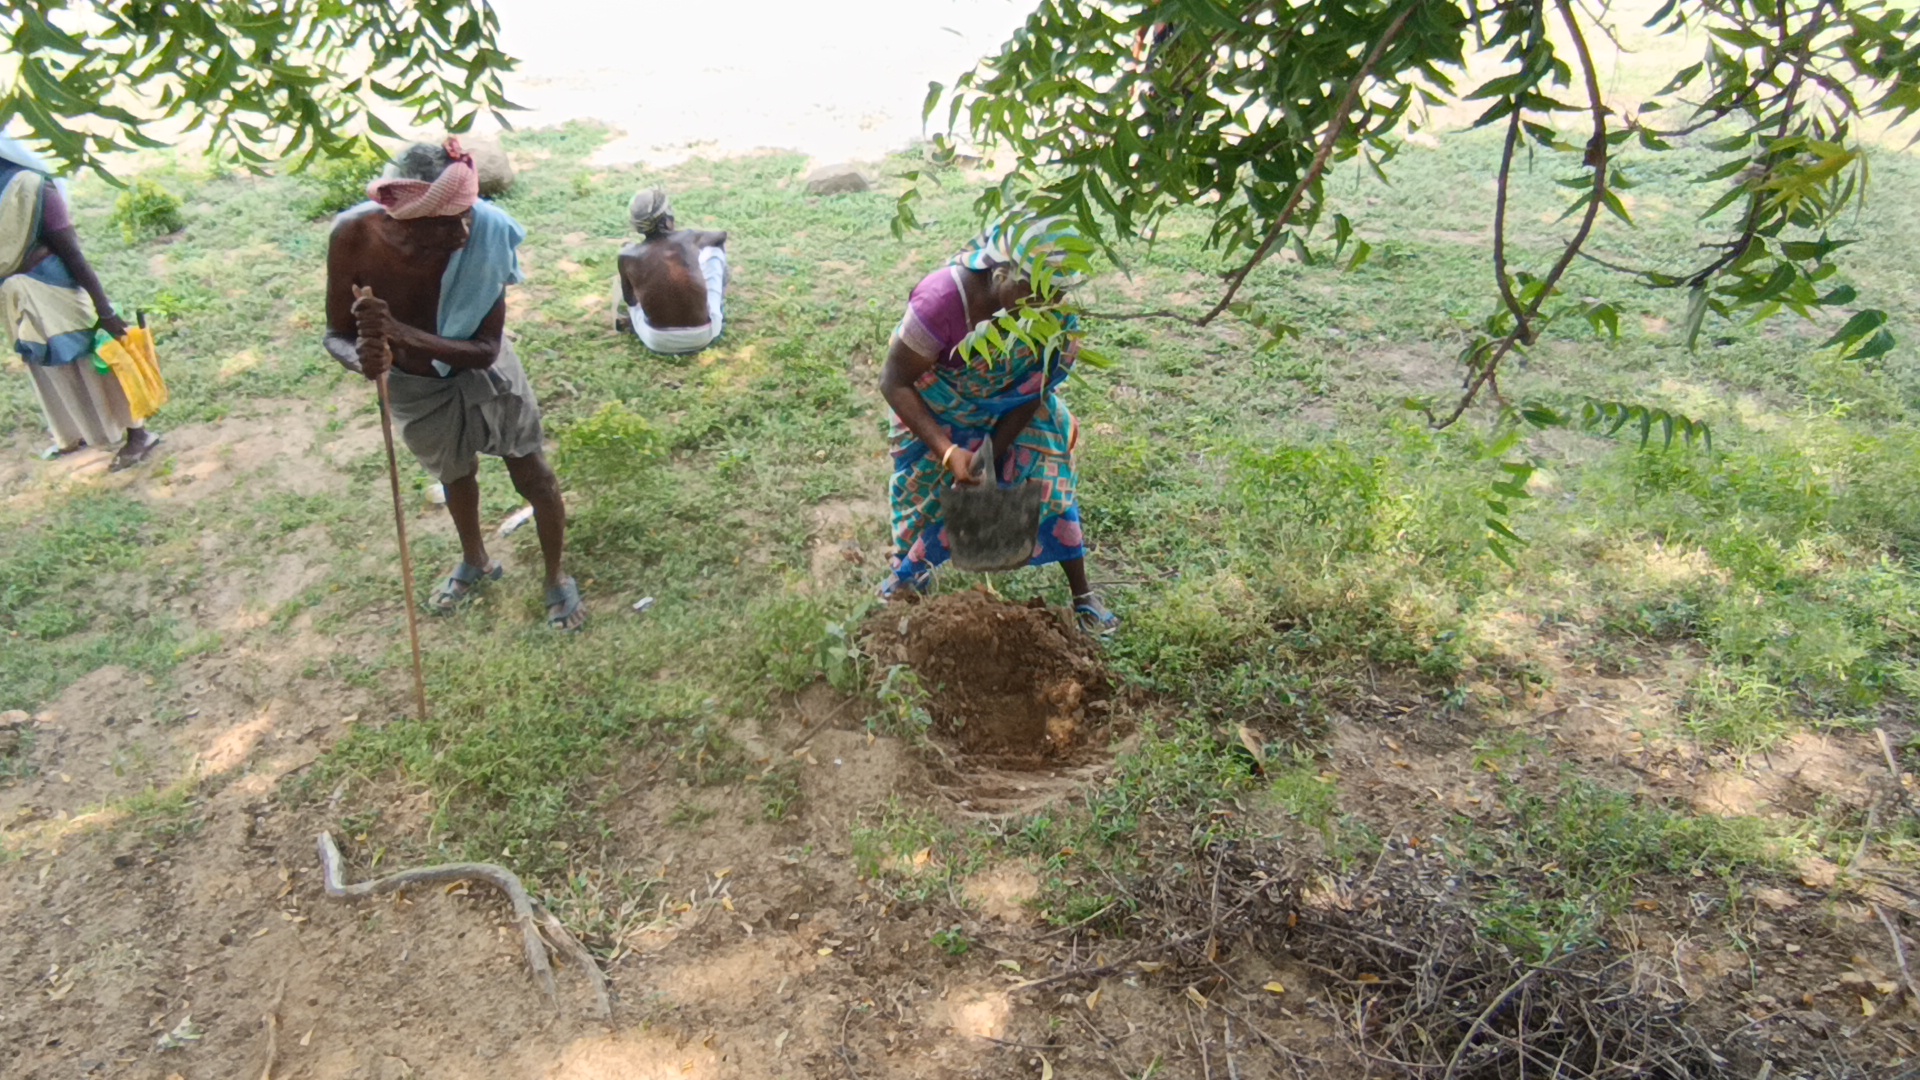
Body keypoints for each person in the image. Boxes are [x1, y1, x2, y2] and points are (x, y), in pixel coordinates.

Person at [323, 139, 585, 631]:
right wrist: (363, 358)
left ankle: (556, 575)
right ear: (402, 216)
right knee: (454, 475)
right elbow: (337, 334)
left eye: (466, 214)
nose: (464, 231)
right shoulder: (353, 236)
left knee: (532, 472)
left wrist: (399, 333)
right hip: (414, 386)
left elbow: (485, 350)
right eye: (445, 223)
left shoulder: (489, 230)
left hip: (484, 372)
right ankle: (477, 560)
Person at [876, 214, 1119, 634]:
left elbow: (1036, 386)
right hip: (939, 411)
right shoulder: (941, 303)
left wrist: (996, 451)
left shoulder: (1053, 311)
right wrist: (949, 452)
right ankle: (909, 576)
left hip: (1016, 407)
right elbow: (894, 381)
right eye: (1034, 292)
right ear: (1001, 272)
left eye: (1056, 294)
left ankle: (1083, 594)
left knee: (1049, 478)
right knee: (924, 496)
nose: (1045, 306)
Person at [0, 133, 161, 469]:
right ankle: (71, 434)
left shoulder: (33, 187)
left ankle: (138, 435)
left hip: (57, 287)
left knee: (93, 359)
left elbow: (73, 254)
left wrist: (104, 310)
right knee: (48, 367)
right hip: (18, 297)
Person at [614, 188, 729, 355]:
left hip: (656, 341)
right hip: (703, 335)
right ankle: (716, 305)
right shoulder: (688, 238)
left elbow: (631, 301)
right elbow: (721, 236)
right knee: (714, 251)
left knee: (624, 276)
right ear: (668, 219)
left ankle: (627, 320)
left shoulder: (627, 255)